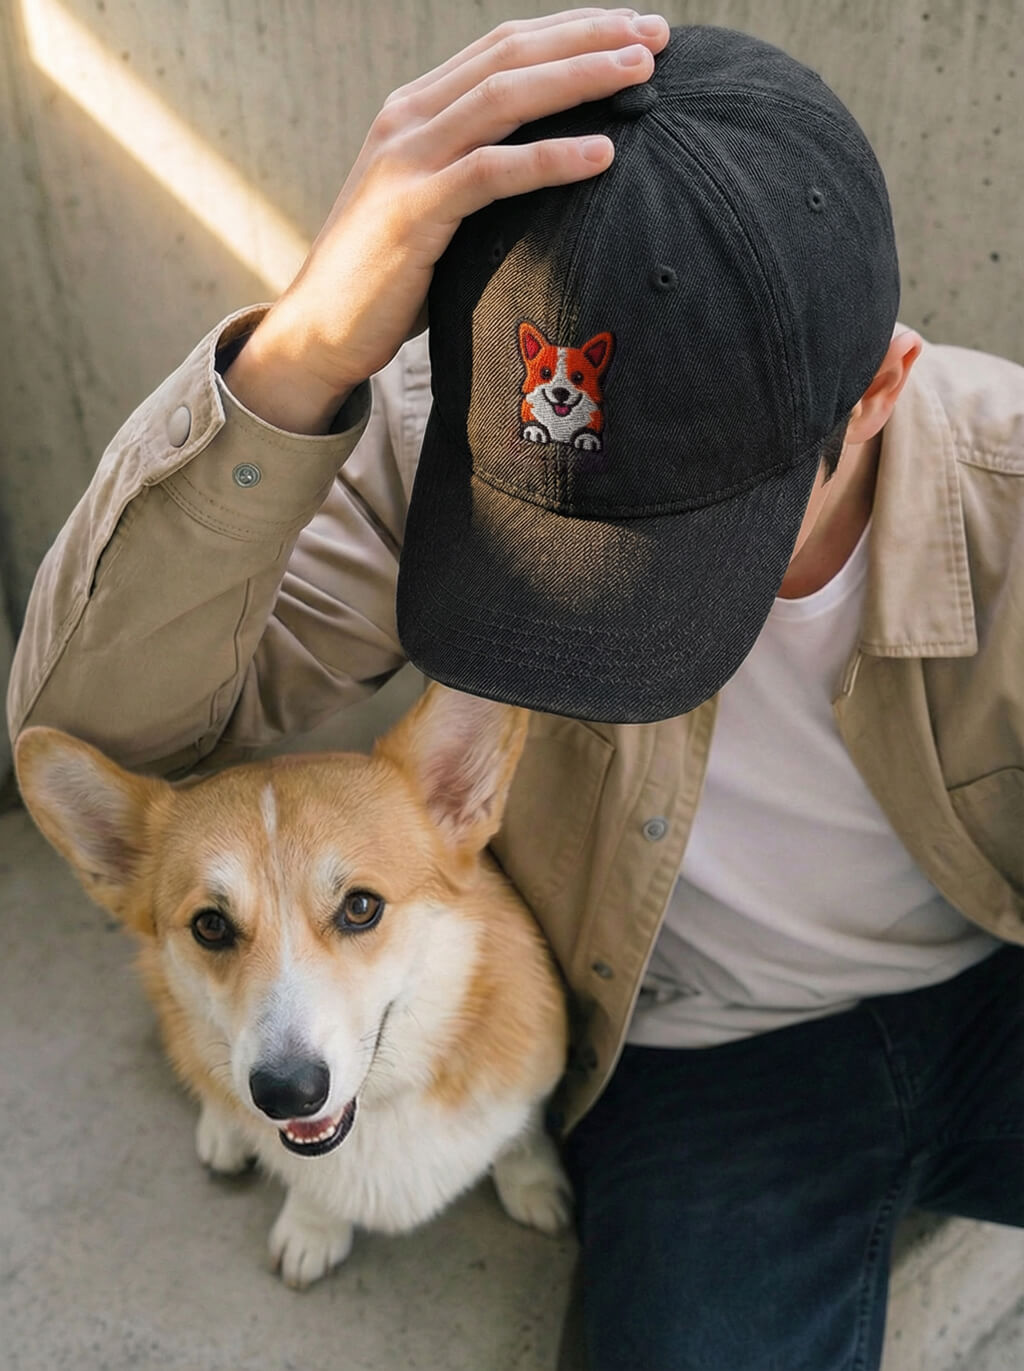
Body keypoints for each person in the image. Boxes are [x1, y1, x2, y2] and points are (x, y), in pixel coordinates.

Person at [8, 11, 1024, 1370]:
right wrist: (296, 358)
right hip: (705, 1055)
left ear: (882, 387)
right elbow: (90, 726)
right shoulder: (434, 443)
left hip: (991, 985)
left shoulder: (1009, 497)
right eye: (550, 538)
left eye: (692, 542)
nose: (619, 602)